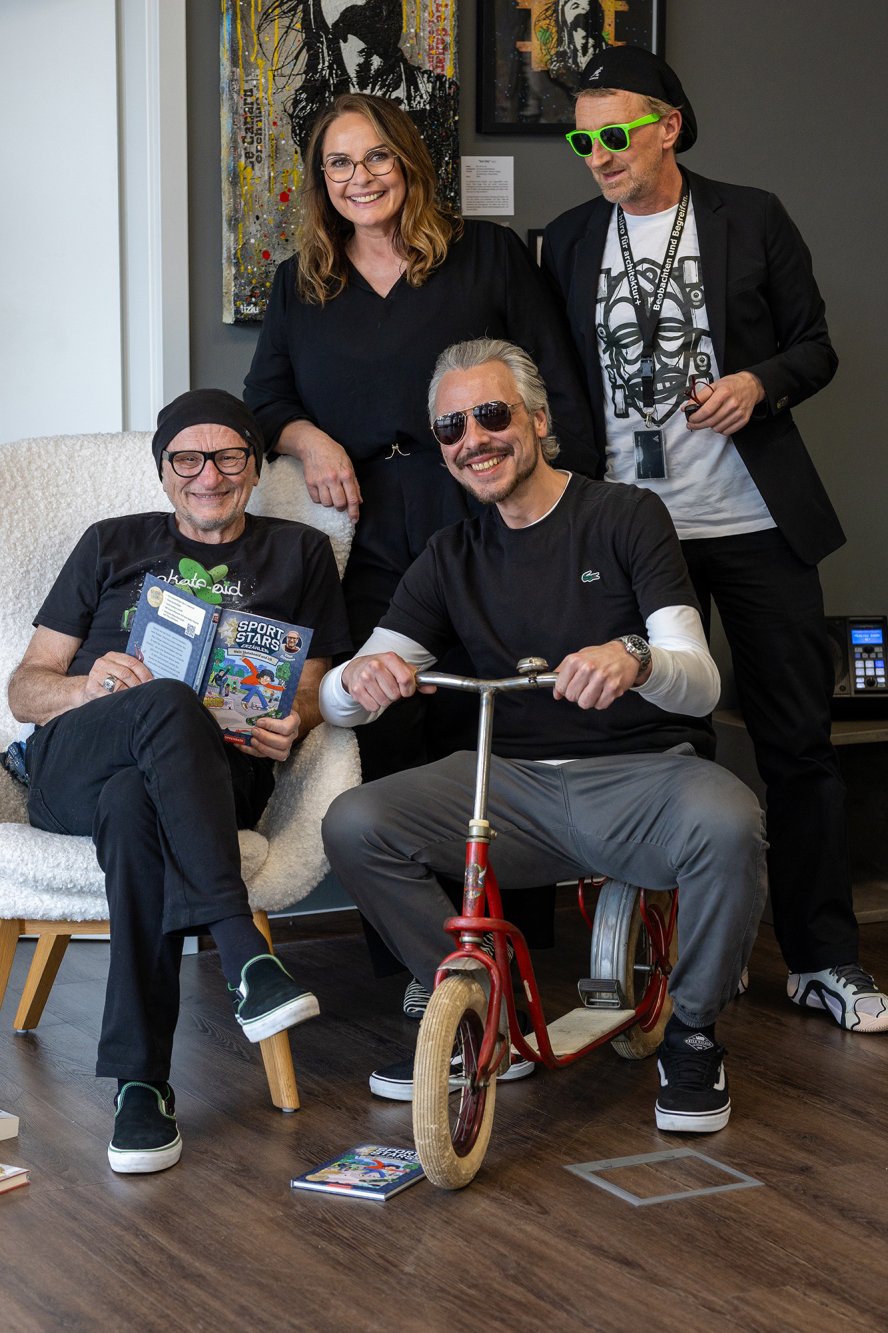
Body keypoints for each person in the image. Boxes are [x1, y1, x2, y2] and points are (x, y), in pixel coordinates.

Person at [320, 338, 767, 1132]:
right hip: (509, 786)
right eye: (452, 427)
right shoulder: (452, 554)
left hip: (638, 775)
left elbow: (701, 679)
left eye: (491, 415)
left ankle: (694, 1033)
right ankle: (482, 1009)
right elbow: (340, 695)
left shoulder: (626, 515)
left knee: (730, 819)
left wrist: (635, 660)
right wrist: (357, 682)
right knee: (355, 821)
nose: (473, 439)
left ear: (537, 419)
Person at [542, 45, 888, 1034]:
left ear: (669, 127)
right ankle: (698, 950)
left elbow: (816, 345)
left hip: (756, 520)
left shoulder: (752, 216)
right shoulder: (567, 240)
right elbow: (561, 378)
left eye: (616, 134)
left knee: (798, 744)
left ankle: (822, 959)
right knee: (664, 750)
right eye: (582, 140)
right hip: (635, 531)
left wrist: (759, 383)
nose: (599, 155)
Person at [244, 92, 598, 1002]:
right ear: (320, 180)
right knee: (386, 716)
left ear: (407, 160)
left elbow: (556, 389)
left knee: (495, 720)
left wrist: (566, 520)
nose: (359, 177)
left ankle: (514, 950)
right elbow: (264, 400)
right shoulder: (301, 282)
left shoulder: (487, 254)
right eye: (339, 163)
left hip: (483, 510)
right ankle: (418, 958)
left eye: (376, 157)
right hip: (369, 523)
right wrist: (309, 441)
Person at [7, 390, 352, 1174]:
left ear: (254, 467)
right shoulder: (109, 543)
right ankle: (242, 950)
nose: (208, 475)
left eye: (228, 456)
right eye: (187, 459)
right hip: (77, 764)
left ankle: (140, 1086)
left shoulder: (299, 554)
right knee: (162, 700)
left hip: (214, 775)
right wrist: (89, 684)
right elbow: (25, 690)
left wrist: (294, 720)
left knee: (136, 806)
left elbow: (312, 690)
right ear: (163, 471)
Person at [256, 1, 460, 204]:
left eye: (380, 156)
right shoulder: (313, 108)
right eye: (340, 162)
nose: (361, 179)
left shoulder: (438, 94)